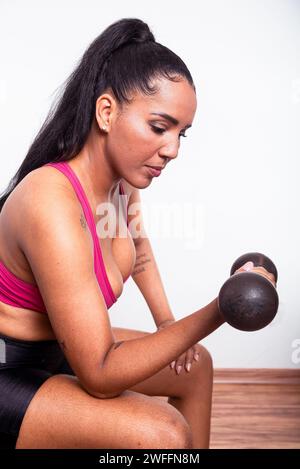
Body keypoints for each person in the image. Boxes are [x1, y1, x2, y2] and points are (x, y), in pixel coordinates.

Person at [0, 18, 275, 449]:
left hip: (60, 351)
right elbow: (101, 375)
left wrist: (167, 325)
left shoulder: (121, 187)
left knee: (195, 366)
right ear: (106, 112)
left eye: (181, 134)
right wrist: (222, 307)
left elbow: (139, 253)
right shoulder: (49, 202)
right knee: (161, 434)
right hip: (10, 372)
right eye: (159, 127)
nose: (173, 150)